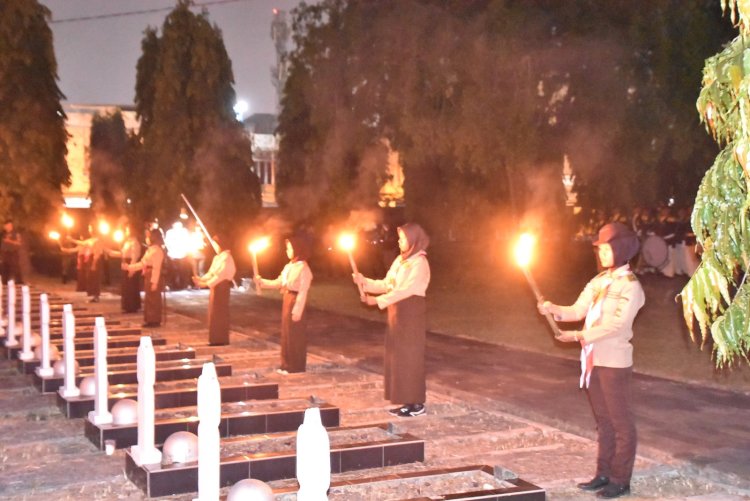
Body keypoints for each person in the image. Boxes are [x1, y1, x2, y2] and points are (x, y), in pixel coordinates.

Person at [538, 222, 644, 499]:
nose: (602, 253)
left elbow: (617, 326)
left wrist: (579, 336)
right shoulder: (599, 281)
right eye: (600, 249)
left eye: (607, 248)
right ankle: (603, 473)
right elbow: (577, 309)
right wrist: (554, 310)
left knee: (621, 423)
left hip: (614, 362)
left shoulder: (630, 287)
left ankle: (621, 479)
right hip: (594, 361)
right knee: (604, 421)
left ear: (621, 249)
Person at [353, 222, 430, 418]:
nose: (400, 241)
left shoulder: (419, 263)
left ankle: (417, 403)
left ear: (413, 239)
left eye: (403, 238)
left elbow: (406, 290)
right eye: (400, 238)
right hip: (396, 312)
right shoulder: (400, 261)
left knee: (410, 357)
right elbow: (388, 284)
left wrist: (377, 300)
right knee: (398, 357)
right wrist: (365, 282)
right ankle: (405, 400)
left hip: (410, 313)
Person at [255, 232, 313, 374]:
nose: (287, 251)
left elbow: (303, 292)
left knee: (295, 335)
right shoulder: (289, 266)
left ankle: (296, 366)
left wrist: (297, 311)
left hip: (295, 301)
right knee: (287, 333)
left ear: (297, 249)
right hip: (287, 300)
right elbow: (279, 282)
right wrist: (262, 282)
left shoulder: (304, 268)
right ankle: (286, 364)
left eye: (290, 248)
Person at [193, 236, 236, 345]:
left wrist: (206, 284)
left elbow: (221, 276)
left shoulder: (227, 257)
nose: (214, 246)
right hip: (215, 287)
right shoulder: (218, 258)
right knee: (213, 313)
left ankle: (220, 339)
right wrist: (200, 278)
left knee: (220, 313)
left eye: (216, 244)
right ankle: (214, 338)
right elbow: (212, 273)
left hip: (222, 287)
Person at [126, 228, 165, 327]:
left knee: (154, 298)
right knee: (149, 298)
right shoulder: (150, 250)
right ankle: (149, 319)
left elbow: (156, 267)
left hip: (152, 274)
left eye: (149, 236)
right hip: (147, 273)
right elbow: (143, 263)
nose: (147, 238)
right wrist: (130, 267)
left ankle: (155, 320)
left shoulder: (157, 250)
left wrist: (154, 282)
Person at [108, 225, 142, 313]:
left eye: (127, 230)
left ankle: (132, 306)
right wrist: (110, 252)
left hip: (130, 265)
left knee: (131, 287)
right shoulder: (127, 242)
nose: (126, 232)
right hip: (125, 265)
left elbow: (135, 256)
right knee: (126, 287)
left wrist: (132, 269)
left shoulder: (135, 242)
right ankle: (127, 306)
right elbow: (122, 253)